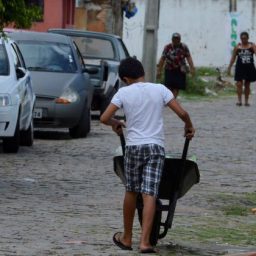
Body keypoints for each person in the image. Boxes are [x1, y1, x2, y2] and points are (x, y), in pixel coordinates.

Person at [100, 57, 195, 253]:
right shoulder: (160, 89)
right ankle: (145, 242)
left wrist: (116, 123)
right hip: (155, 147)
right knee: (149, 193)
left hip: (134, 147)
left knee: (131, 191)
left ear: (125, 78)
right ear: (142, 72)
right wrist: (189, 126)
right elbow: (183, 113)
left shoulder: (123, 92)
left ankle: (126, 238)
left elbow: (104, 117)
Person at [157, 32, 195, 98]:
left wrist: (192, 68)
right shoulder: (167, 47)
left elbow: (189, 57)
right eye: (174, 39)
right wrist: (159, 71)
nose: (176, 40)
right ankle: (169, 99)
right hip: (169, 69)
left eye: (177, 39)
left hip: (180, 70)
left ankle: (172, 99)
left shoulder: (184, 47)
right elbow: (162, 59)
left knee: (176, 87)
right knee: (168, 86)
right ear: (172, 39)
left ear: (180, 39)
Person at [227, 31, 256, 106]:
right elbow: (233, 58)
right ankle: (239, 101)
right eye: (242, 38)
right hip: (240, 67)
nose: (244, 40)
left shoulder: (252, 46)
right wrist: (229, 67)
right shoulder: (237, 47)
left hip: (249, 67)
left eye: (245, 38)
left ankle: (246, 101)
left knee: (247, 84)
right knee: (239, 84)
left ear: (248, 38)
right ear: (240, 39)